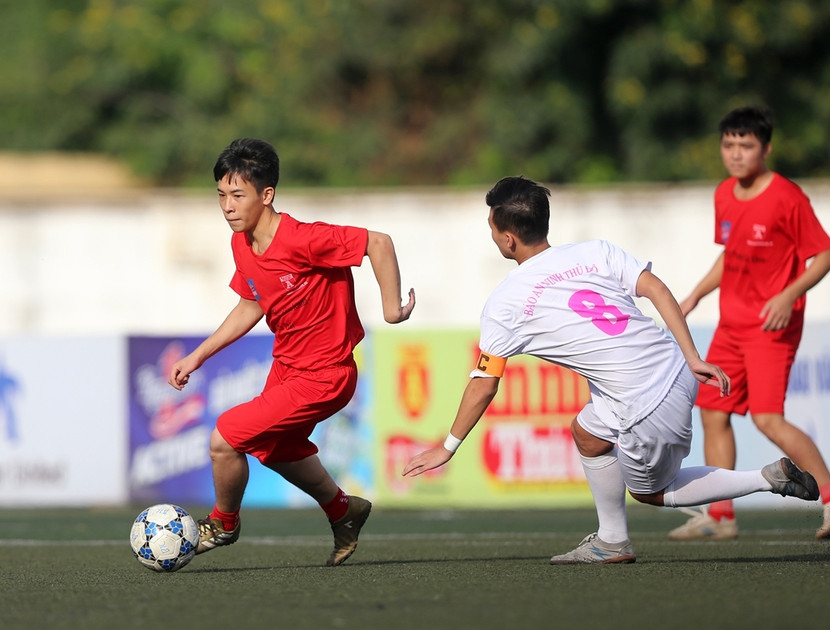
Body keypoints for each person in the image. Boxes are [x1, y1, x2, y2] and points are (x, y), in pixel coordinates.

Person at [402, 175, 819, 564]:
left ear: (508, 239)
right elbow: (656, 289)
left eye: (492, 229)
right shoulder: (593, 250)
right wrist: (693, 356)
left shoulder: (504, 303)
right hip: (674, 367)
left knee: (652, 493)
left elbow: (484, 384)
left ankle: (765, 479)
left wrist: (448, 447)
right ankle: (611, 539)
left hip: (643, 401)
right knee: (587, 432)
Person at [168, 138, 415, 566]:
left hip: (326, 375)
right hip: (287, 368)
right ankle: (343, 510)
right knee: (273, 449)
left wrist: (391, 310)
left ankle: (223, 524)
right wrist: (198, 356)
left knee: (224, 439)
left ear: (267, 195)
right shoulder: (242, 243)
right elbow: (251, 304)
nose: (227, 206)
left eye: (238, 195)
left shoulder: (305, 238)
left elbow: (379, 242)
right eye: (221, 195)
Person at [669, 105, 830, 541]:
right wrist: (696, 294)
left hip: (770, 327)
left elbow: (823, 254)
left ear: (766, 149)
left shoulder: (787, 197)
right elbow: (732, 252)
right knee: (714, 412)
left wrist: (789, 294)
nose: (736, 153)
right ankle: (720, 515)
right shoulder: (724, 193)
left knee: (767, 419)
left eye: (746, 145)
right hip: (731, 326)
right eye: (729, 144)